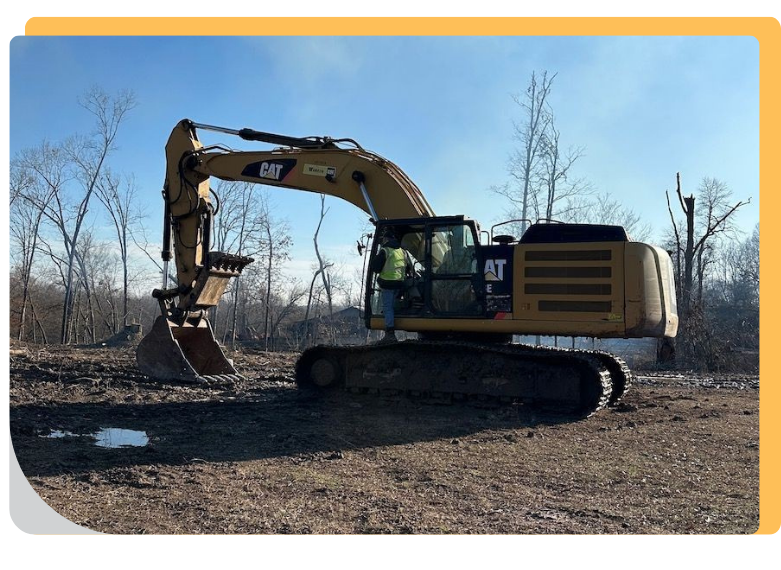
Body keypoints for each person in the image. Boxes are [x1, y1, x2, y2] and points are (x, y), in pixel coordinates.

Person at [371, 228, 410, 344]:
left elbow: (376, 267)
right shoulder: (402, 252)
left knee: (387, 308)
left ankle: (390, 334)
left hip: (387, 283)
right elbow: (407, 268)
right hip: (399, 284)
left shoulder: (385, 250)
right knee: (392, 306)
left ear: (386, 239)